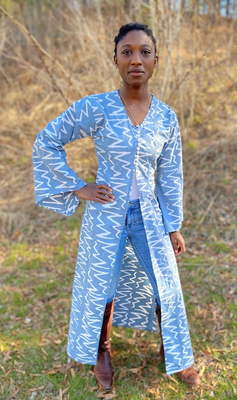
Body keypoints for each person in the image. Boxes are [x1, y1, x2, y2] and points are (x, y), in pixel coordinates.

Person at [33, 23, 200, 390]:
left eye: (144, 52)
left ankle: (174, 352)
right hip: (106, 214)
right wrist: (78, 187)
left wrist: (173, 224)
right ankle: (101, 351)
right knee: (102, 287)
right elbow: (47, 140)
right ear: (116, 60)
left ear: (156, 60)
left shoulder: (166, 117)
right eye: (127, 52)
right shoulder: (98, 107)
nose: (136, 59)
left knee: (166, 285)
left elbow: (171, 174)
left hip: (149, 218)